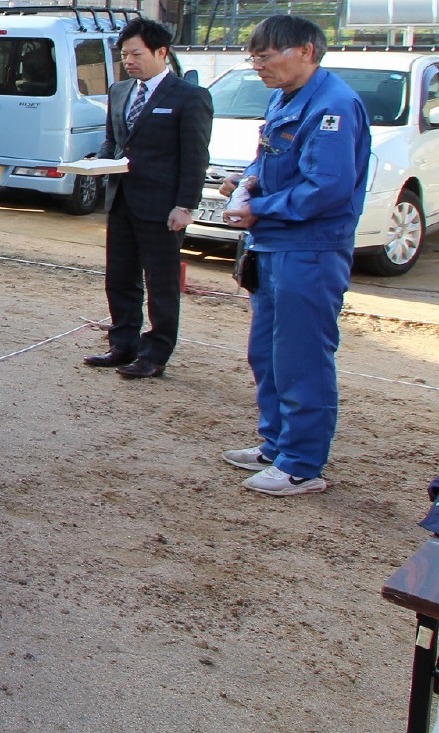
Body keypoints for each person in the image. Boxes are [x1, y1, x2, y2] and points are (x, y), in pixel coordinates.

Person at [219, 15, 371, 496]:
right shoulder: (284, 97)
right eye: (254, 57)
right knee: (267, 353)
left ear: (305, 50)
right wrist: (245, 183)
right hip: (274, 245)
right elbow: (268, 156)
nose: (258, 66)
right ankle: (276, 444)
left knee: (302, 356)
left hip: (309, 248)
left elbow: (326, 188)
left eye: (267, 56)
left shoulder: (334, 106)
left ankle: (302, 464)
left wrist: (258, 208)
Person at [83, 17, 212, 379]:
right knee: (120, 276)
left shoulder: (189, 96)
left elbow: (195, 156)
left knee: (161, 282)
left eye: (136, 53)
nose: (129, 61)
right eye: (124, 54)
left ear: (161, 52)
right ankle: (122, 343)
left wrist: (186, 205)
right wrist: (97, 162)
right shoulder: (120, 91)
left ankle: (155, 352)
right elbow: (113, 141)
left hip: (162, 205)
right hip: (122, 199)